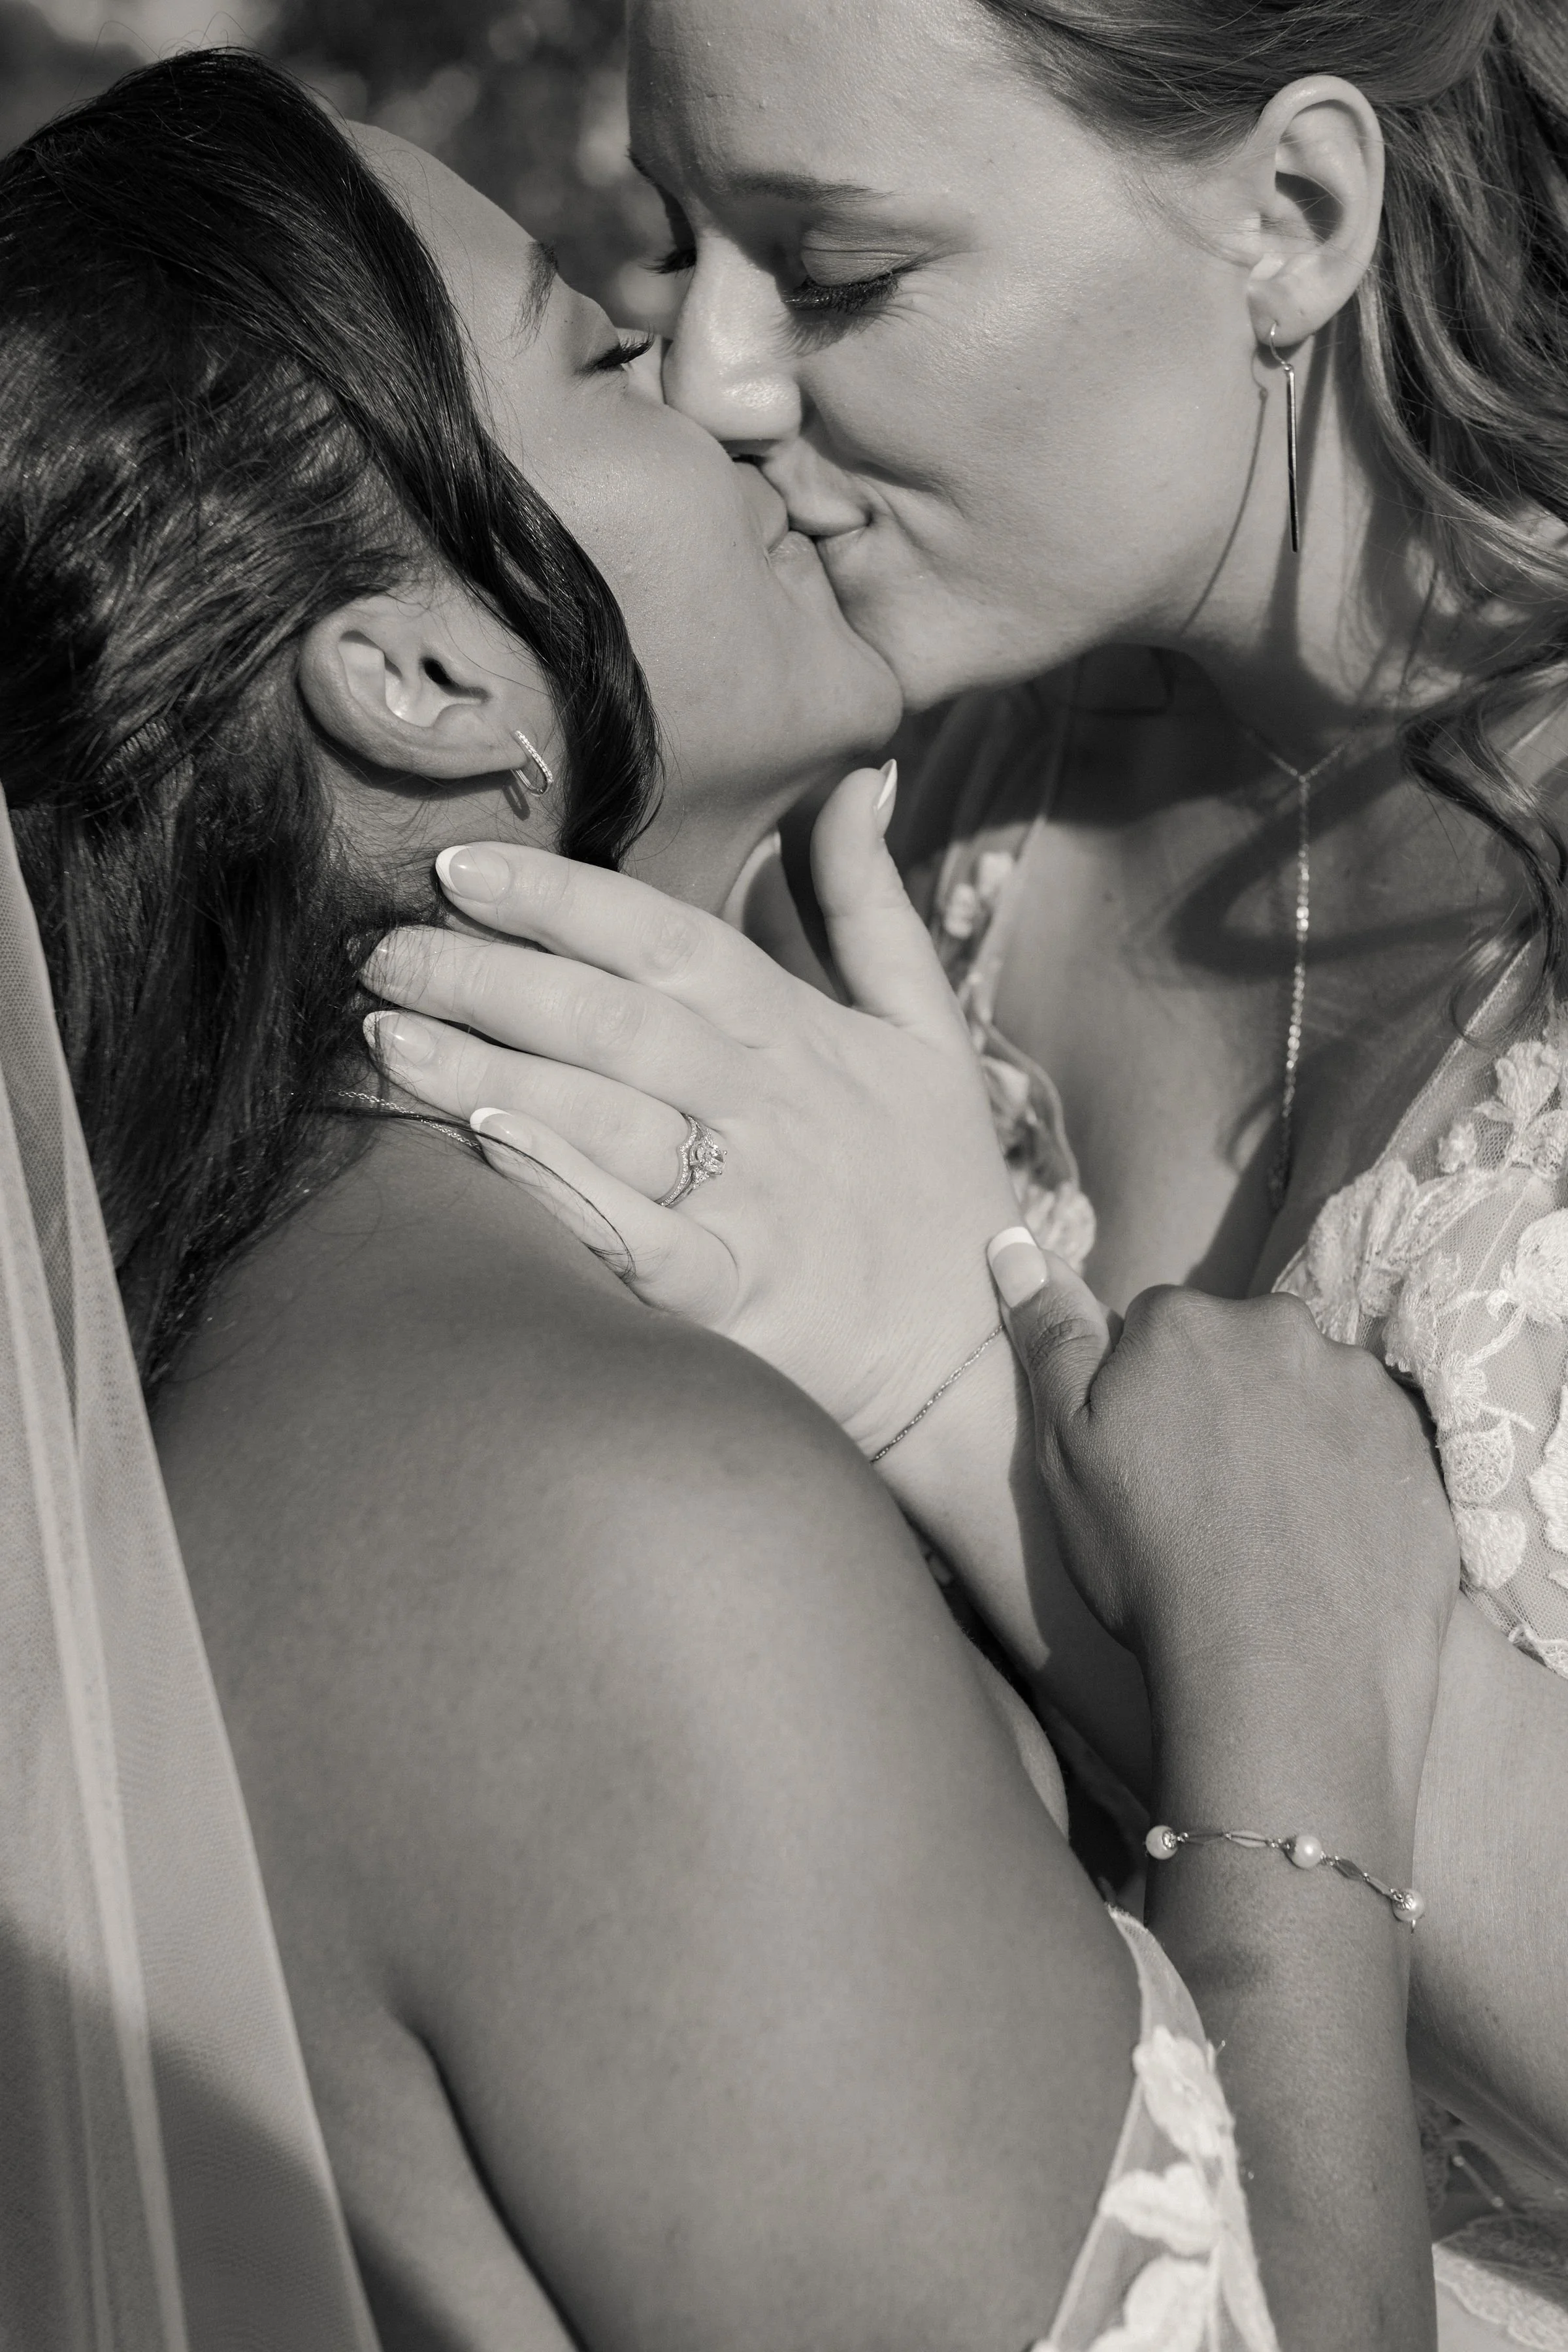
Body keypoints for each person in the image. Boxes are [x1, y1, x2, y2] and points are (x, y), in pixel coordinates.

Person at [0, 44, 1463, 2352]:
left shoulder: (299, 1341)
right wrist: (1292, 1707)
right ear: (416, 674)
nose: (717, 377)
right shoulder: (604, 1520)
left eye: (819, 269)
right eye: (607, 339)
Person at [361, 0, 1568, 2334]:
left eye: (835, 275)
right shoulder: (900, 790)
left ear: (1293, 215)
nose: (722, 377)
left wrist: (961, 1378)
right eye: (675, 248)